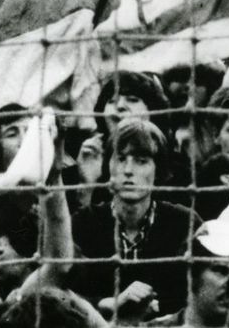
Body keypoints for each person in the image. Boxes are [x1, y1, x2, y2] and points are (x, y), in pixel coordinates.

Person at [69, 120, 201, 322]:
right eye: (121, 159)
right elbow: (59, 293)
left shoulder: (184, 224)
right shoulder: (82, 223)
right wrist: (107, 303)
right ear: (108, 166)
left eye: (141, 161)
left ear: (158, 170)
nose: (128, 170)